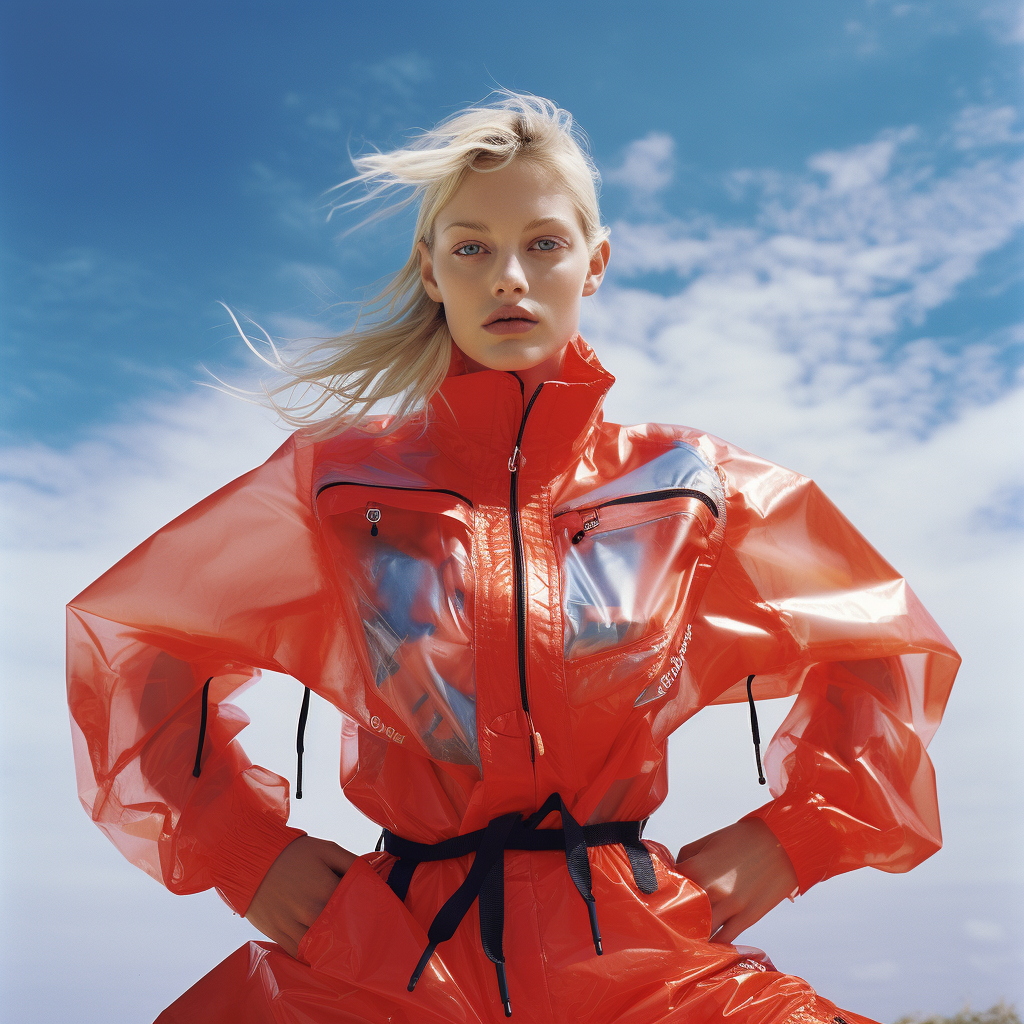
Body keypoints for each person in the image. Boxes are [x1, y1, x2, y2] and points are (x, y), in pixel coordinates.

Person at [66, 91, 960, 1024]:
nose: (508, 278)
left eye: (542, 243)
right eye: (471, 247)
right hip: (386, 962)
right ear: (429, 269)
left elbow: (884, 647)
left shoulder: (690, 484)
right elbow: (140, 645)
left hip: (643, 960)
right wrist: (249, 855)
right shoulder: (337, 485)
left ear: (594, 262)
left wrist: (789, 839)